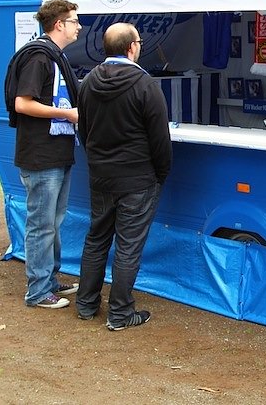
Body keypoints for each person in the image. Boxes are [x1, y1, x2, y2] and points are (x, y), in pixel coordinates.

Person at [76, 22, 172, 331]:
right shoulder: (145, 85)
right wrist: (160, 174)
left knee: (96, 239)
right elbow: (160, 139)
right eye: (139, 42)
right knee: (129, 246)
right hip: (137, 179)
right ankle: (120, 314)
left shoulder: (88, 82)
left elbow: (83, 130)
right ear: (131, 47)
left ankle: (86, 304)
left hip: (102, 177)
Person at [11, 0, 82, 309]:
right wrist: (66, 114)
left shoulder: (54, 57)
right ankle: (38, 291)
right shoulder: (39, 58)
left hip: (57, 152)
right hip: (40, 155)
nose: (79, 27)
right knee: (42, 223)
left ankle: (49, 279)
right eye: (74, 21)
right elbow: (22, 103)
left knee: (54, 220)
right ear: (59, 25)